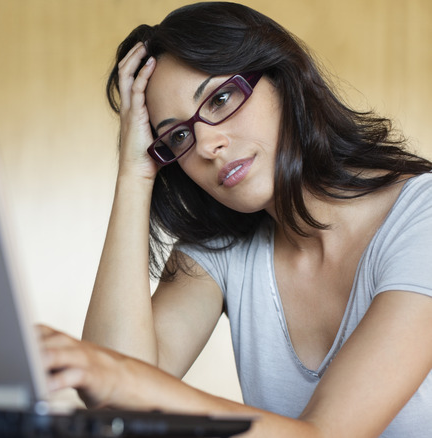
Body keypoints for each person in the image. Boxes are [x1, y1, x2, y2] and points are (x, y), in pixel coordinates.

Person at [38, 2, 432, 437]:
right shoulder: (223, 248)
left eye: (220, 99)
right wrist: (135, 173)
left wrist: (119, 379)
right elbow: (112, 395)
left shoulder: (422, 217)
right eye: (178, 136)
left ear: (283, 80)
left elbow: (328, 434)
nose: (207, 145)